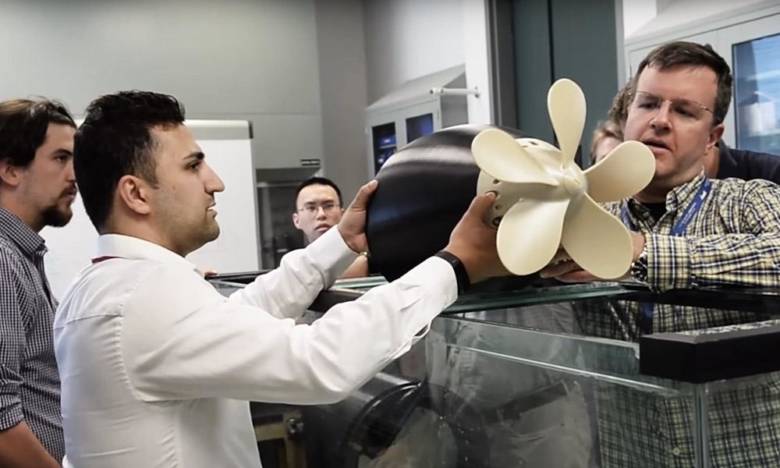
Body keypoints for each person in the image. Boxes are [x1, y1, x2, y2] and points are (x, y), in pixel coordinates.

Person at [53, 90, 504, 468]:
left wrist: (341, 241)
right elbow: (317, 361)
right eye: (192, 166)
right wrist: (454, 266)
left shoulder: (104, 286)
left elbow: (244, 312)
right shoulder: (141, 299)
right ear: (136, 194)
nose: (215, 182)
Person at [544, 41, 780, 467]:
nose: (660, 120)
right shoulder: (581, 220)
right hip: (633, 454)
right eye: (648, 103)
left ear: (712, 138)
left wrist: (637, 251)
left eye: (685, 111)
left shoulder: (748, 201)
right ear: (626, 117)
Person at [0, 98, 77, 467]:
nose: (75, 174)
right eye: (61, 158)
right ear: (11, 170)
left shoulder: (22, 254)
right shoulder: (3, 258)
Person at [292, 176, 368, 278]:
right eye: (311, 208)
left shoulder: (365, 259)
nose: (321, 215)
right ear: (296, 220)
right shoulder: (293, 269)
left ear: (342, 214)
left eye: (328, 206)